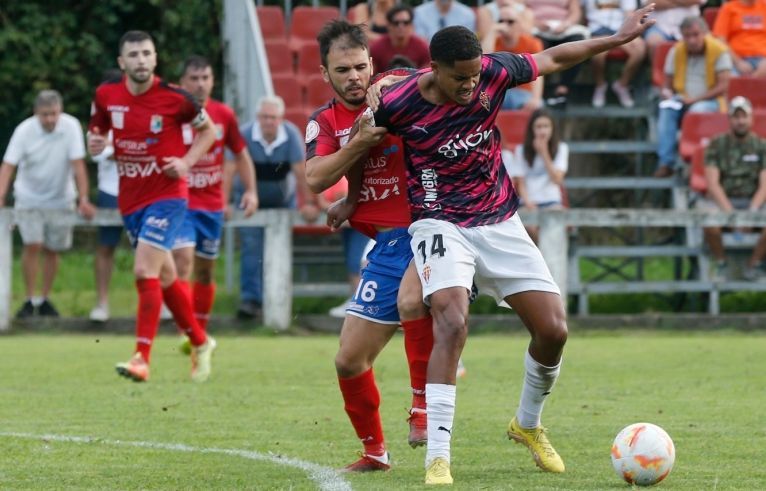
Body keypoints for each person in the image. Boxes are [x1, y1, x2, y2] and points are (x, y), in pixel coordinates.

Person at [363, 7, 656, 484]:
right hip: (438, 221)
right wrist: (348, 198)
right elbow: (363, 139)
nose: (470, 86)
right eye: (460, 78)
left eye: (475, 76)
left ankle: (527, 423)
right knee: (453, 319)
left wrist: (615, 38)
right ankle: (439, 455)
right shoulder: (398, 105)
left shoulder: (493, 73)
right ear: (435, 70)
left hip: (499, 218)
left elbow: (557, 58)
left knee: (554, 330)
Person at [304, 20, 434, 472]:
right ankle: (376, 452)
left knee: (413, 300)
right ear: (325, 74)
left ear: (372, 64)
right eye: (343, 70)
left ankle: (423, 407)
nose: (354, 77)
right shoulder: (324, 122)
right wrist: (354, 185)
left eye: (361, 67)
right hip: (386, 245)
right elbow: (317, 177)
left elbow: (421, 79)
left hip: (432, 227)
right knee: (348, 360)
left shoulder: (395, 90)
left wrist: (395, 82)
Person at [88, 30, 217, 383]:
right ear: (122, 62)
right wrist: (94, 142)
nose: (141, 60)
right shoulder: (106, 95)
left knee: (145, 269)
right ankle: (201, 342)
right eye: (134, 54)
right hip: (131, 199)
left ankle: (141, 358)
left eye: (146, 53)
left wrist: (187, 163)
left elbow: (210, 132)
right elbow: (97, 128)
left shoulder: (176, 98)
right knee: (164, 276)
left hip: (169, 196)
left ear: (155, 58)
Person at [173, 55, 258, 340]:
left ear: (212, 81)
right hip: (179, 201)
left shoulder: (223, 114)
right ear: (182, 83)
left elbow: (241, 153)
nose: (200, 84)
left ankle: (200, 329)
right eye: (194, 79)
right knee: (183, 261)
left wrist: (250, 191)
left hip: (210, 206)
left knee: (205, 272)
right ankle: (189, 333)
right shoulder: (171, 112)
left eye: (205, 78)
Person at [0, 89, 95, 319]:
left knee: (53, 249)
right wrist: (1, 195)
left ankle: (44, 299)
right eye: (45, 115)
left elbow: (78, 165)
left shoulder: (71, 126)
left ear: (60, 110)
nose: (50, 119)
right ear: (36, 113)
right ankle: (29, 299)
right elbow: (8, 165)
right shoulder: (24, 130)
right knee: (33, 245)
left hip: (62, 198)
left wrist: (83, 199)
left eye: (53, 114)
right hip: (29, 197)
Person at [234, 95, 314, 320]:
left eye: (273, 117)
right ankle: (250, 300)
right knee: (251, 248)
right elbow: (230, 166)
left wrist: (307, 202)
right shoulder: (245, 134)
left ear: (281, 119)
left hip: (282, 201)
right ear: (258, 118)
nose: (269, 122)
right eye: (265, 117)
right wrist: (224, 201)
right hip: (248, 200)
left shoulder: (290, 136)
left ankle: (278, 299)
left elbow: (301, 171)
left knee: (279, 251)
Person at [654, 16, 731, 178]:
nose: (692, 40)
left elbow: (723, 87)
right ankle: (666, 162)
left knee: (696, 110)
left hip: (711, 101)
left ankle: (690, 161)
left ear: (705, 33)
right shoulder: (676, 51)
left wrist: (695, 100)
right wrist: (667, 93)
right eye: (687, 36)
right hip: (682, 99)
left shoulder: (719, 50)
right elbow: (667, 83)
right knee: (666, 108)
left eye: (696, 35)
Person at [700, 96, 766, 281]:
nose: (740, 121)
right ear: (729, 119)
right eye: (736, 117)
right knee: (708, 220)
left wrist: (751, 214)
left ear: (751, 119)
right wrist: (732, 216)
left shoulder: (761, 146)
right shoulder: (716, 144)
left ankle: (755, 264)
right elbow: (712, 184)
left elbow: (765, 185)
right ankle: (722, 264)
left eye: (744, 116)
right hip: (724, 201)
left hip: (753, 202)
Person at [505, 108, 569, 243]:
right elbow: (520, 183)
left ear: (552, 128)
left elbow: (557, 180)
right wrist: (528, 203)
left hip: (552, 202)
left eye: (546, 126)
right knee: (528, 226)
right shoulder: (521, 151)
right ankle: (542, 255)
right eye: (539, 127)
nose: (542, 131)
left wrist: (544, 153)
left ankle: (546, 257)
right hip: (529, 203)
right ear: (532, 129)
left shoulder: (561, 148)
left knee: (554, 224)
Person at [527, 0, 591, 107]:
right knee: (537, 47)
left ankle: (563, 89)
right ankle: (539, 93)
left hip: (564, 28)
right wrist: (535, 22)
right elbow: (520, 8)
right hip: (536, 29)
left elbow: (575, 12)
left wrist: (566, 24)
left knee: (576, 45)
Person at [585, 0, 647, 108]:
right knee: (597, 52)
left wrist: (628, 32)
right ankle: (600, 85)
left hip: (622, 30)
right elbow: (583, 11)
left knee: (639, 48)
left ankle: (622, 85)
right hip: (597, 30)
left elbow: (629, 14)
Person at [482, 4, 545, 110]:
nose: (505, 25)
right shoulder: (493, 41)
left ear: (519, 24)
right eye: (501, 21)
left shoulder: (532, 43)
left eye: (510, 22)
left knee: (539, 107)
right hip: (498, 92)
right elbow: (483, 62)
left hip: (524, 93)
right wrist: (492, 31)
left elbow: (539, 72)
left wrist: (536, 98)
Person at [711, 0, 766, 78]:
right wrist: (738, 62)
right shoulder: (729, 8)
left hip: (763, 59)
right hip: (735, 59)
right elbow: (720, 40)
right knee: (728, 77)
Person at [370, 5, 431, 73]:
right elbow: (371, 75)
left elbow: (427, 74)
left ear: (411, 25)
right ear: (389, 25)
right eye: (396, 23)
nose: (401, 26)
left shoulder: (422, 47)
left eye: (406, 22)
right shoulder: (377, 47)